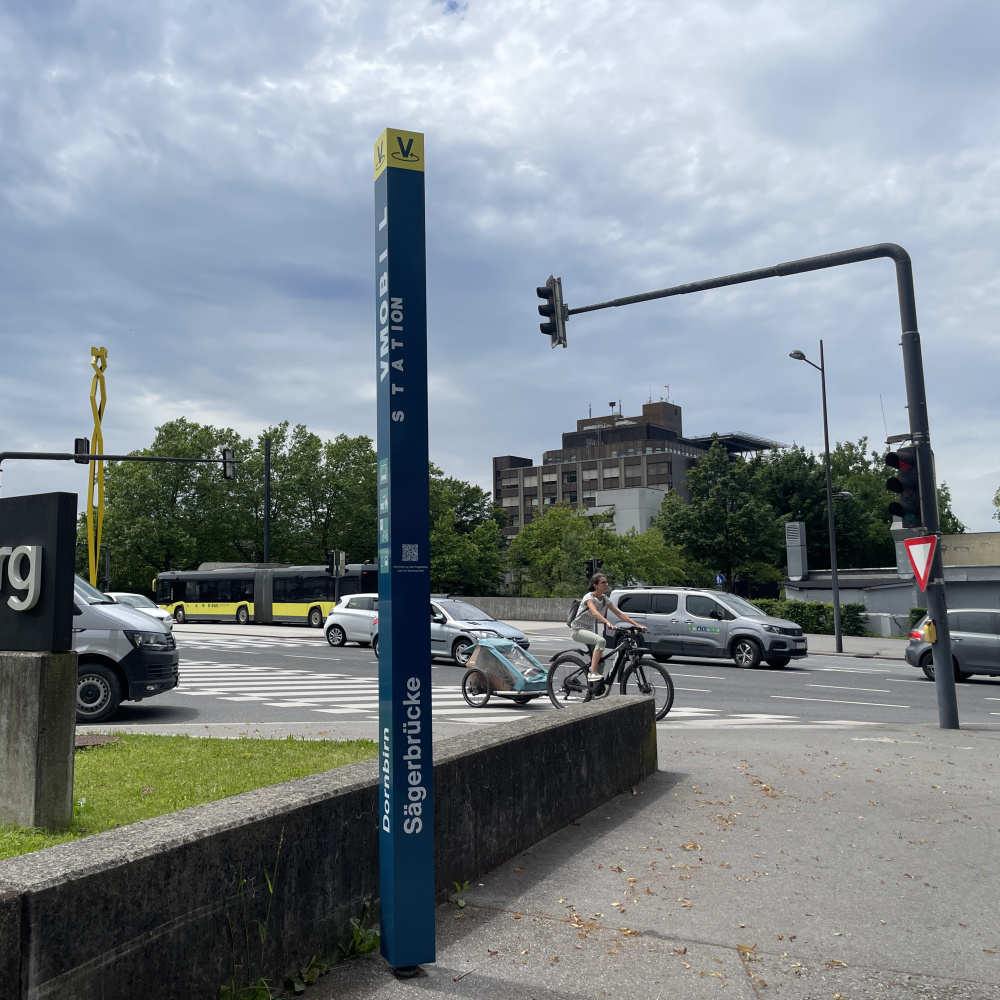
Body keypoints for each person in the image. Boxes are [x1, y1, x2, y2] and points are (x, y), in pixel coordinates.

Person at [569, 574, 647, 681]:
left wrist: (637, 625)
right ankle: (591, 673)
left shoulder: (605, 599)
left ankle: (595, 691)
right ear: (595, 585)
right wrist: (607, 622)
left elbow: (620, 614)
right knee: (601, 641)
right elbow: (594, 612)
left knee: (601, 664)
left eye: (606, 582)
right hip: (578, 630)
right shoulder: (589, 597)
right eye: (603, 582)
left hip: (589, 631)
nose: (606, 584)